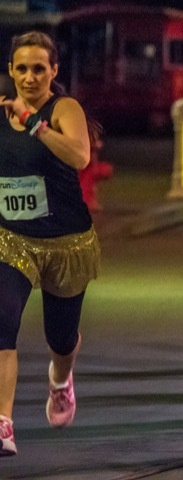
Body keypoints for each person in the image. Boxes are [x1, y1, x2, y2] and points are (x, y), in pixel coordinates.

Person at [0, 32, 101, 457]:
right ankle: (3, 423)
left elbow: (80, 156)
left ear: (54, 71)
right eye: (21, 68)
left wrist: (34, 125)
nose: (29, 76)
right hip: (11, 240)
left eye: (39, 68)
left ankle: (61, 379)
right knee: (2, 325)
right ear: (10, 70)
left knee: (60, 337)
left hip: (65, 242)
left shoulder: (63, 109)